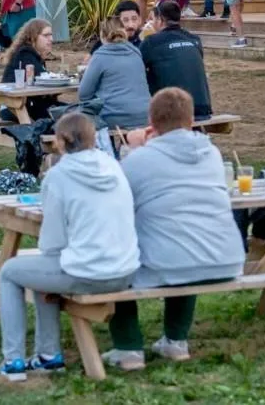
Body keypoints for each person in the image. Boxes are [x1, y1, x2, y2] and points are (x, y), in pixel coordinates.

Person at [106, 88, 245, 370]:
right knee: (184, 239)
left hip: (171, 261)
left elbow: (115, 200)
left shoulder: (140, 159)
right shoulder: (211, 153)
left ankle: (128, 347)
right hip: (225, 259)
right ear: (191, 120)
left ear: (151, 122)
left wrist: (134, 149)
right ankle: (176, 340)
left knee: (118, 261)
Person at [0, 113, 139, 381]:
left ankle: (13, 360)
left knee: (10, 272)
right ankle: (47, 355)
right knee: (42, 270)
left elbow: (52, 243)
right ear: (94, 138)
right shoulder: (113, 167)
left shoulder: (58, 176)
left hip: (88, 272)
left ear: (60, 142)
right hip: (127, 268)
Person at [78, 16, 151, 132]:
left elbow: (84, 94)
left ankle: (107, 144)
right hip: (144, 114)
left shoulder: (100, 56)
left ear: (102, 36)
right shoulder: (136, 52)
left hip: (114, 117)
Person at [141, 1, 213, 119]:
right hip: (202, 108)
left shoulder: (151, 42)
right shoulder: (194, 39)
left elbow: (136, 68)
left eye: (152, 19)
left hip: (174, 112)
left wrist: (143, 36)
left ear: (160, 20)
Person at [1, 19, 58, 122]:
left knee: (70, 112)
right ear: (33, 37)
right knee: (67, 115)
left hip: (28, 104)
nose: (51, 39)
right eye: (46, 35)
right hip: (14, 107)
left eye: (51, 35)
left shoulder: (36, 56)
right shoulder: (25, 54)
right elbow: (42, 77)